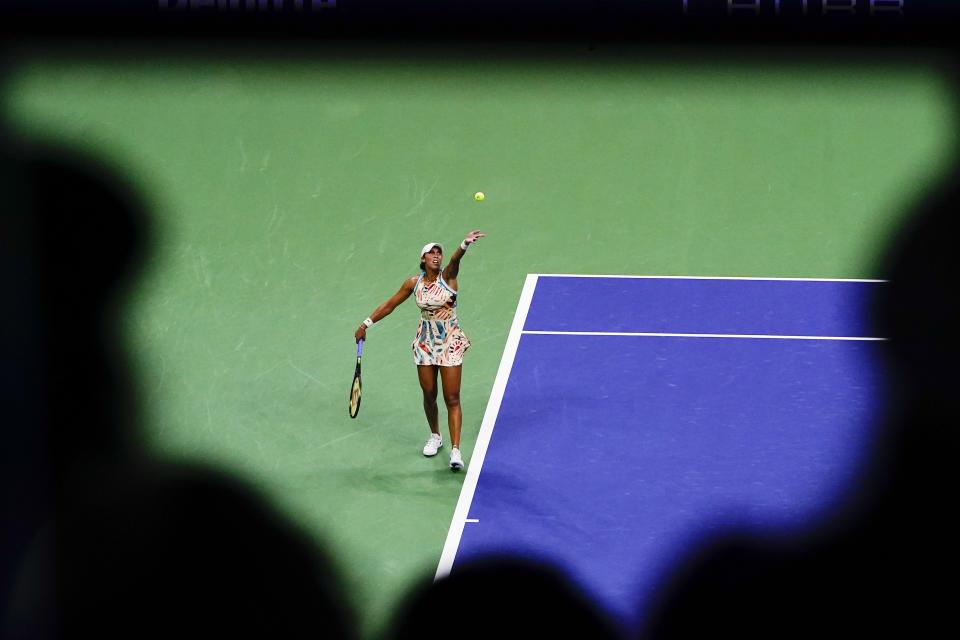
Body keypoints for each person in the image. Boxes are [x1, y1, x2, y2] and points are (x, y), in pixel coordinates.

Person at [355, 230, 485, 471]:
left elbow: (455, 261)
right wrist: (365, 324)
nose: (437, 256)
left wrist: (463, 245)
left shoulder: (448, 277)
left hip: (449, 343)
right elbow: (390, 304)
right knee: (429, 395)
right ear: (423, 259)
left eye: (439, 253)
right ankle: (435, 436)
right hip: (425, 343)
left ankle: (456, 451)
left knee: (452, 397)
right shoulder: (413, 283)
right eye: (431, 253)